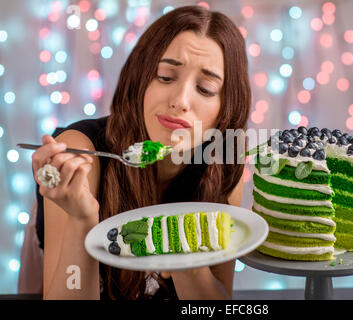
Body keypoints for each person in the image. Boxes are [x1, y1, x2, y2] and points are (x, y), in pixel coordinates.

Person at [30, 5, 251, 300]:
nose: (180, 100)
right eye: (165, 76)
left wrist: (188, 262)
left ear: (225, 110)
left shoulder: (222, 165)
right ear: (140, 78)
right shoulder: (84, 153)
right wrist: (81, 220)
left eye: (206, 88)